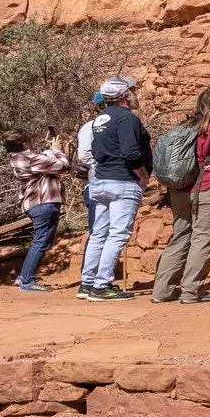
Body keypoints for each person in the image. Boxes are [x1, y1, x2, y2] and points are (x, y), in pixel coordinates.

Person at [151, 87, 210, 303]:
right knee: (202, 239)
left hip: (181, 191)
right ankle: (192, 292)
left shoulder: (185, 126)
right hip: (208, 188)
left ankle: (162, 291)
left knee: (179, 238)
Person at [78, 78, 151, 301]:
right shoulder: (127, 118)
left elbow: (96, 151)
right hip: (122, 182)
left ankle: (87, 284)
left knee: (99, 234)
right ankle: (102, 286)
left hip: (100, 182)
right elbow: (130, 152)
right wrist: (144, 175)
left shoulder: (100, 118)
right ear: (124, 96)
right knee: (118, 234)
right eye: (133, 91)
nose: (135, 94)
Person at [3, 130, 72, 293]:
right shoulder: (30, 159)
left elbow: (43, 163)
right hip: (43, 202)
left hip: (35, 204)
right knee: (42, 241)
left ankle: (24, 276)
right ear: (24, 144)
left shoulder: (20, 158)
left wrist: (49, 150)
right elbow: (63, 165)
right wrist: (57, 150)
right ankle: (27, 281)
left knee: (40, 240)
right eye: (30, 140)